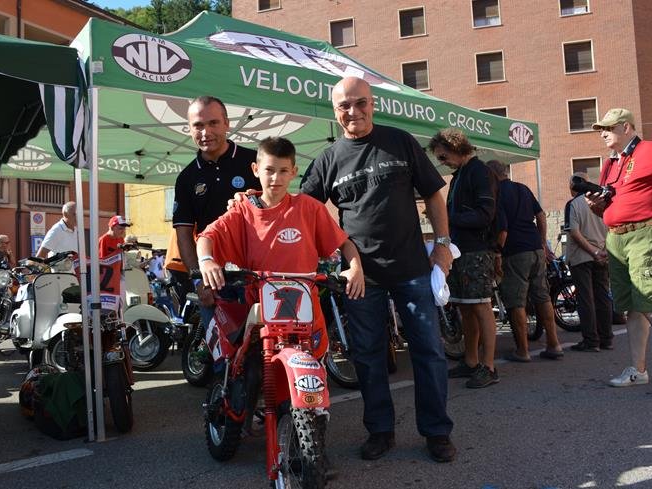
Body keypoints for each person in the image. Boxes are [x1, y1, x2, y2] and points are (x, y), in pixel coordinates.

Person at [300, 77, 456, 463]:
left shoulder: (400, 141)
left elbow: (433, 193)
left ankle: (437, 432)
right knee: (368, 355)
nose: (353, 111)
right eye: (344, 106)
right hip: (360, 276)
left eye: (360, 103)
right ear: (335, 111)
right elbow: (305, 211)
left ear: (373, 104)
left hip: (412, 269)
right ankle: (380, 431)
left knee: (429, 351)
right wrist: (257, 198)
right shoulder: (328, 159)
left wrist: (442, 244)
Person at [198, 137, 364, 359]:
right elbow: (207, 236)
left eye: (284, 170)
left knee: (311, 370)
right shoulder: (243, 209)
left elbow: (344, 243)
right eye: (269, 170)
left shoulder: (310, 208)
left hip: (305, 311)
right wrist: (206, 261)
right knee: (249, 368)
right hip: (259, 312)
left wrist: (355, 268)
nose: (276, 178)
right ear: (255, 170)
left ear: (294, 172)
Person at [588, 108, 652, 396]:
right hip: (616, 238)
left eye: (609, 128)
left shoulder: (651, 150)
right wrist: (597, 207)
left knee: (650, 301)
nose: (603, 133)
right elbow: (610, 208)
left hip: (645, 233)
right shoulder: (611, 163)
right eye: (601, 129)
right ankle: (638, 370)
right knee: (632, 305)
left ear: (626, 127)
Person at [171, 96, 261, 319]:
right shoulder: (186, 178)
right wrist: (198, 280)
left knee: (266, 340)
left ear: (227, 124)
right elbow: (183, 235)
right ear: (190, 129)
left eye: (213, 123)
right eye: (198, 125)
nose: (205, 132)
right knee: (221, 343)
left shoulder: (256, 162)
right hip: (214, 282)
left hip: (258, 275)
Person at [429, 130, 500, 387]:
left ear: (457, 148)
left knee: (481, 305)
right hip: (461, 250)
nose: (442, 162)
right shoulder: (460, 174)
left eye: (443, 156)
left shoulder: (479, 172)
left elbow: (485, 214)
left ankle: (489, 367)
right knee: (465, 307)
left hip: (477, 250)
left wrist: (447, 218)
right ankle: (471, 360)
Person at [486, 159, 564, 361]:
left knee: (516, 302)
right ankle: (554, 344)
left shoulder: (496, 194)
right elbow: (541, 215)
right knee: (542, 296)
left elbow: (502, 230)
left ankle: (522, 350)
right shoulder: (522, 188)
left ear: (492, 176)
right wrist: (542, 242)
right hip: (535, 247)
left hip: (514, 251)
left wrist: (497, 254)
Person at [564, 173, 614, 351]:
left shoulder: (573, 204)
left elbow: (574, 232)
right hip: (602, 254)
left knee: (585, 299)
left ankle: (591, 341)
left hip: (581, 257)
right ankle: (606, 339)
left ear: (572, 187)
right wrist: (603, 251)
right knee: (603, 297)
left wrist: (593, 252)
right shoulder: (602, 201)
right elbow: (612, 227)